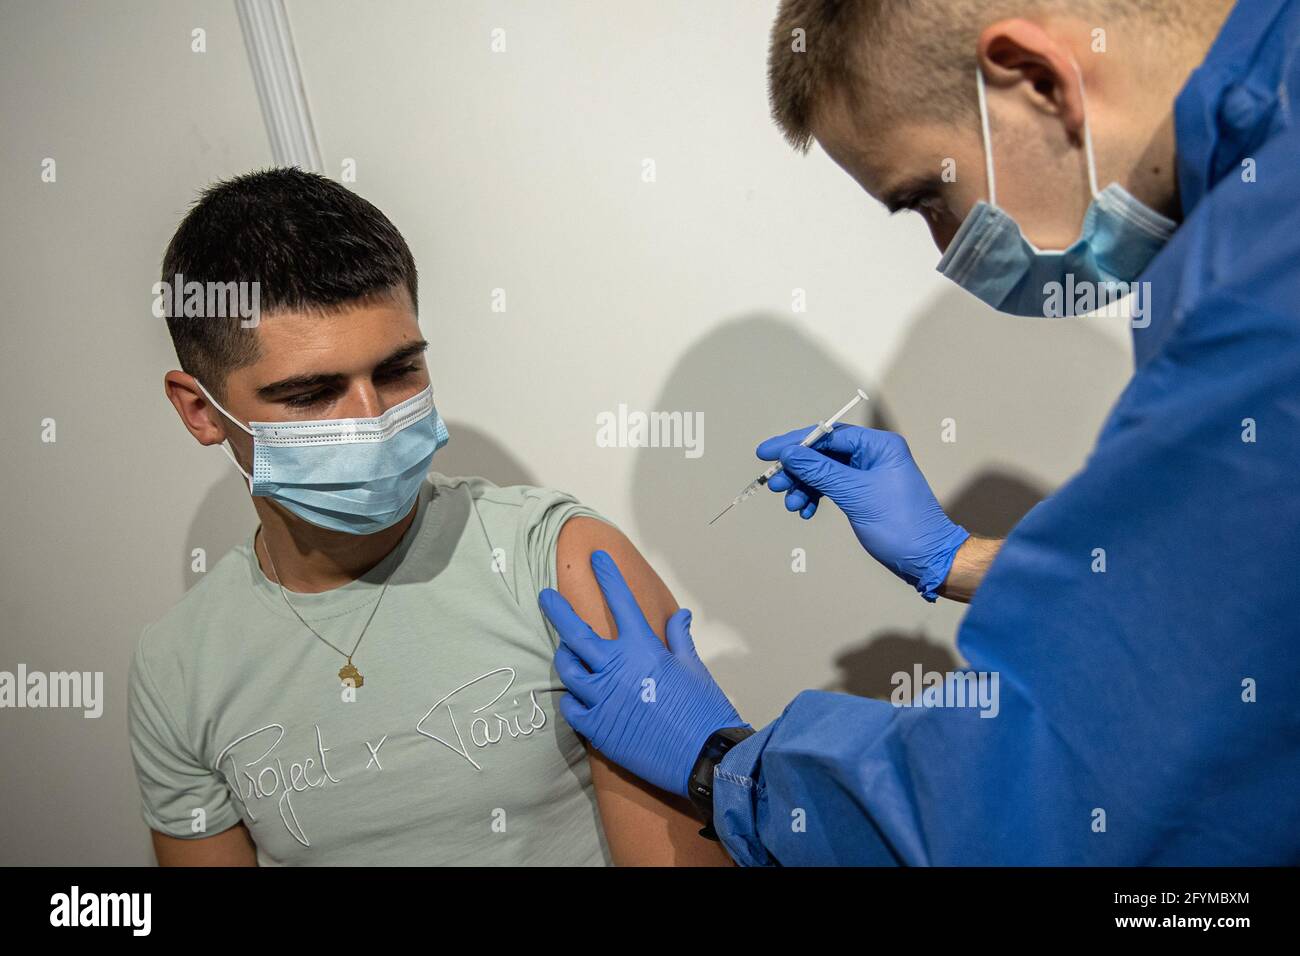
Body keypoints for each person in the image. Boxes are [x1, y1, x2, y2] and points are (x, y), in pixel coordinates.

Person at [540, 0, 1300, 864]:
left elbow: (1048, 794)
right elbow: (1229, 581)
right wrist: (953, 555)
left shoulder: (1261, 289)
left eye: (926, 198)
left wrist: (726, 766)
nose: (945, 249)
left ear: (1036, 80)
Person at [127, 168, 730, 866]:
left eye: (397, 371)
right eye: (312, 394)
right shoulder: (178, 668)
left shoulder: (562, 565)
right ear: (201, 411)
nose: (372, 419)